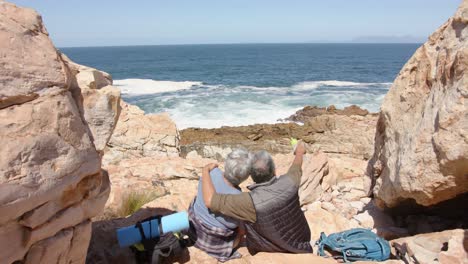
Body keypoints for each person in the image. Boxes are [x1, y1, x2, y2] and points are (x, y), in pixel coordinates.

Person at [201, 142, 312, 255]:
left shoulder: (249, 201)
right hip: (302, 243)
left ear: (252, 176)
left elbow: (210, 201)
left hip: (270, 249)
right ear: (274, 171)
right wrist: (299, 152)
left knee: (241, 222)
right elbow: (296, 165)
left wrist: (205, 171)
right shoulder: (291, 181)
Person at [188, 148, 252, 262]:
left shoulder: (211, 173)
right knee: (242, 228)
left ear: (226, 164)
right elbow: (239, 228)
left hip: (193, 230)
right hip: (215, 245)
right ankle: (228, 250)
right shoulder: (239, 199)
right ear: (246, 176)